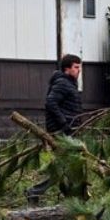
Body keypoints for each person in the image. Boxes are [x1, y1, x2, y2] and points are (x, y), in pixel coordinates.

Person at [26, 54, 83, 204]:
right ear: (67, 69)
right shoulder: (63, 83)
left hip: (68, 130)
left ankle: (74, 199)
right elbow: (51, 103)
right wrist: (64, 124)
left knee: (69, 165)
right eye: (76, 67)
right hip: (61, 131)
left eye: (79, 67)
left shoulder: (69, 83)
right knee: (65, 166)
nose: (79, 70)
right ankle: (35, 191)